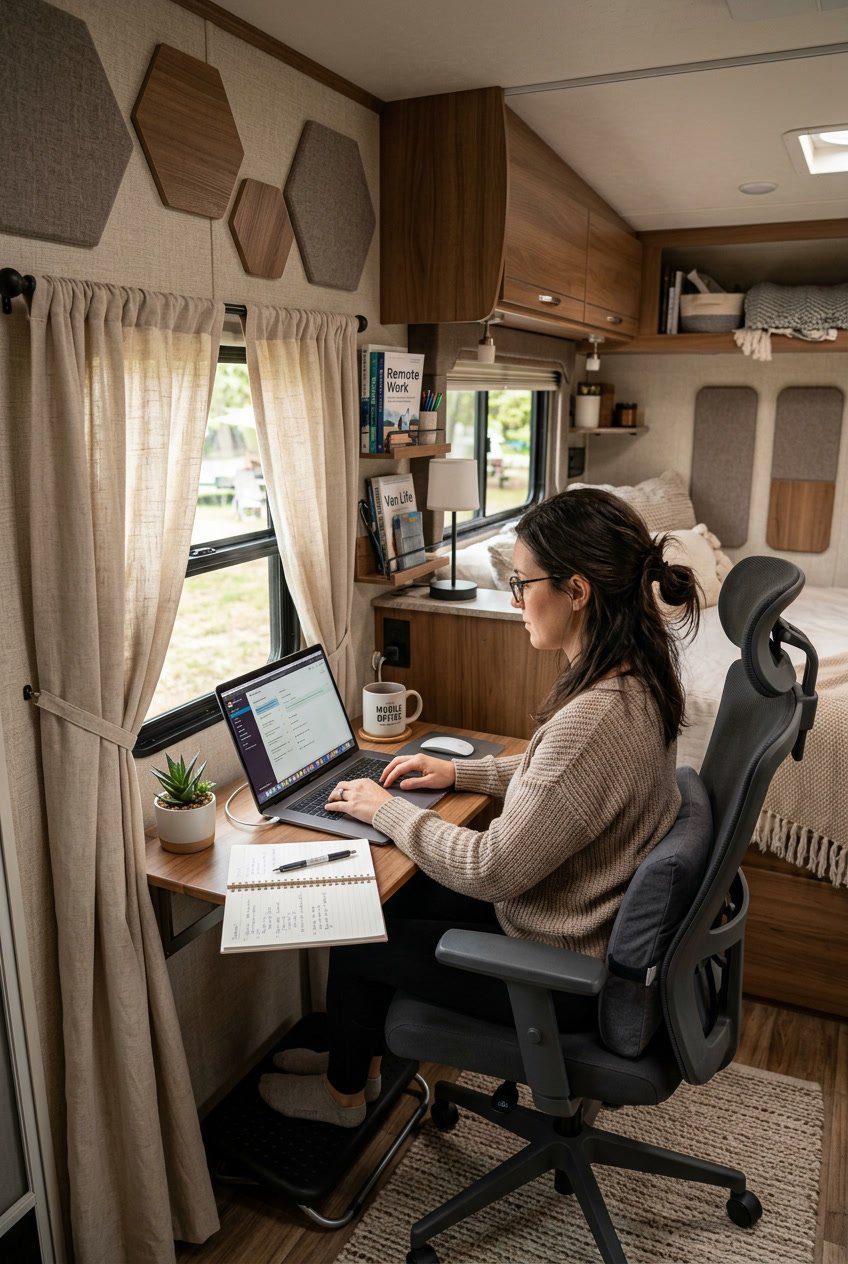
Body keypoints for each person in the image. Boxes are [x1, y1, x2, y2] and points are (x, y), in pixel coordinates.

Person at [259, 488, 700, 1127]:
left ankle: (342, 1100)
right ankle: (358, 1061)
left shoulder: (596, 715)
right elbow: (572, 781)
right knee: (391, 901)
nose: (517, 601)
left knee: (357, 936)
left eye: (523, 584)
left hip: (559, 967)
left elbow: (490, 869)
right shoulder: (638, 675)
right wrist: (463, 770)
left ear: (577, 591)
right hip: (571, 916)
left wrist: (384, 809)